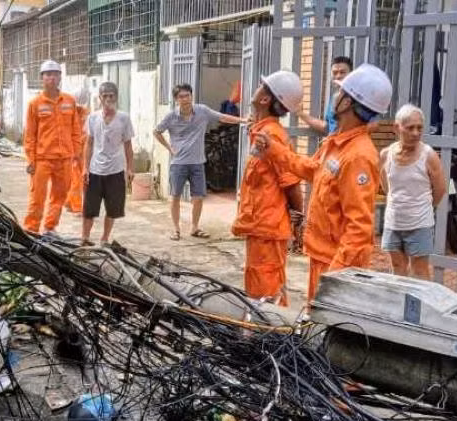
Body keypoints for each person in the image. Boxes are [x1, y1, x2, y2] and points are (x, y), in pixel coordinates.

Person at [253, 63, 393, 300]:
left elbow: (359, 229)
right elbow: (311, 169)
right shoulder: (337, 142)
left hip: (336, 266)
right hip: (322, 257)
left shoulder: (358, 155)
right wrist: (273, 150)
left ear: (347, 102)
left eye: (340, 92)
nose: (335, 97)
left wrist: (334, 280)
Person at [231, 71, 304, 307]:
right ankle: (262, 335)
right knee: (258, 287)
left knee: (267, 291)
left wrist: (298, 219)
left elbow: (292, 183)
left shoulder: (272, 136)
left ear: (265, 99)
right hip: (260, 227)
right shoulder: (261, 132)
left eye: (262, 86)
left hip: (269, 229)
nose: (257, 87)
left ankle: (272, 337)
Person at [154, 84, 250, 241]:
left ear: (191, 96)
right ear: (176, 100)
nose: (185, 99)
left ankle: (194, 227)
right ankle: (176, 229)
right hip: (178, 164)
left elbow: (222, 117)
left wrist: (244, 120)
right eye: (181, 97)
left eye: (187, 96)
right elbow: (157, 131)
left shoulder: (202, 111)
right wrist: (169, 148)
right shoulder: (171, 117)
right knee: (175, 196)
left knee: (198, 197)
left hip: (198, 163)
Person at [379, 104, 446, 279]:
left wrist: (425, 207)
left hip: (419, 222)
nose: (415, 133)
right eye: (410, 128)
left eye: (419, 128)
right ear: (396, 128)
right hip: (393, 222)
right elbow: (385, 184)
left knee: (420, 271)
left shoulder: (429, 155)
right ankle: (400, 305)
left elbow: (440, 189)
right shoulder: (386, 154)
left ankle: (420, 306)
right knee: (397, 266)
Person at [23, 59, 83, 234]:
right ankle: (31, 230)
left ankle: (50, 228)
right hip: (42, 159)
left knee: (60, 196)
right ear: (42, 78)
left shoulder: (70, 101)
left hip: (64, 159)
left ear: (60, 77)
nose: (52, 78)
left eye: (55, 74)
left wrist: (76, 154)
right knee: (37, 197)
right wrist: (30, 160)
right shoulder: (35, 104)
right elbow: (30, 136)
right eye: (48, 74)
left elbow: (76, 130)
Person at [80, 82, 134, 246]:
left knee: (112, 209)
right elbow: (89, 143)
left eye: (111, 96)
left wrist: (130, 168)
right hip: (95, 171)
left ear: (116, 98)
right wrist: (85, 168)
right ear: (100, 98)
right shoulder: (93, 118)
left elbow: (128, 145)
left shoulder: (124, 118)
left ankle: (104, 239)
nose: (108, 99)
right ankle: (85, 238)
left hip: (116, 171)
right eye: (105, 96)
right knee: (89, 209)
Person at [296, 56, 353, 136]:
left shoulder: (359, 97)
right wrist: (300, 114)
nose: (338, 76)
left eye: (342, 72)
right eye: (335, 73)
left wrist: (345, 135)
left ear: (351, 74)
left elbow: (373, 125)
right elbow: (327, 127)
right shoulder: (334, 98)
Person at [65, 86, 91, 215]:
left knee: (78, 178)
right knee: (76, 179)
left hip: (83, 151)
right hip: (74, 151)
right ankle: (75, 205)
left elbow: (87, 131)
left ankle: (70, 203)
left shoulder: (85, 113)